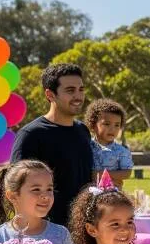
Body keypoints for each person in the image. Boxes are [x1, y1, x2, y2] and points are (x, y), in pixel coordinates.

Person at [11, 64, 93, 227]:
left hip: (84, 227)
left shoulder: (83, 130)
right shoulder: (31, 135)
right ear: (50, 94)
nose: (78, 96)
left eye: (81, 89)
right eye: (70, 90)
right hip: (47, 231)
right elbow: (16, 187)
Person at [85, 98, 133, 188]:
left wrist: (101, 174)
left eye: (117, 125)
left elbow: (127, 173)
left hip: (112, 193)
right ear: (93, 125)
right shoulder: (86, 147)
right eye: (107, 124)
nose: (112, 129)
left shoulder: (122, 151)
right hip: (88, 193)